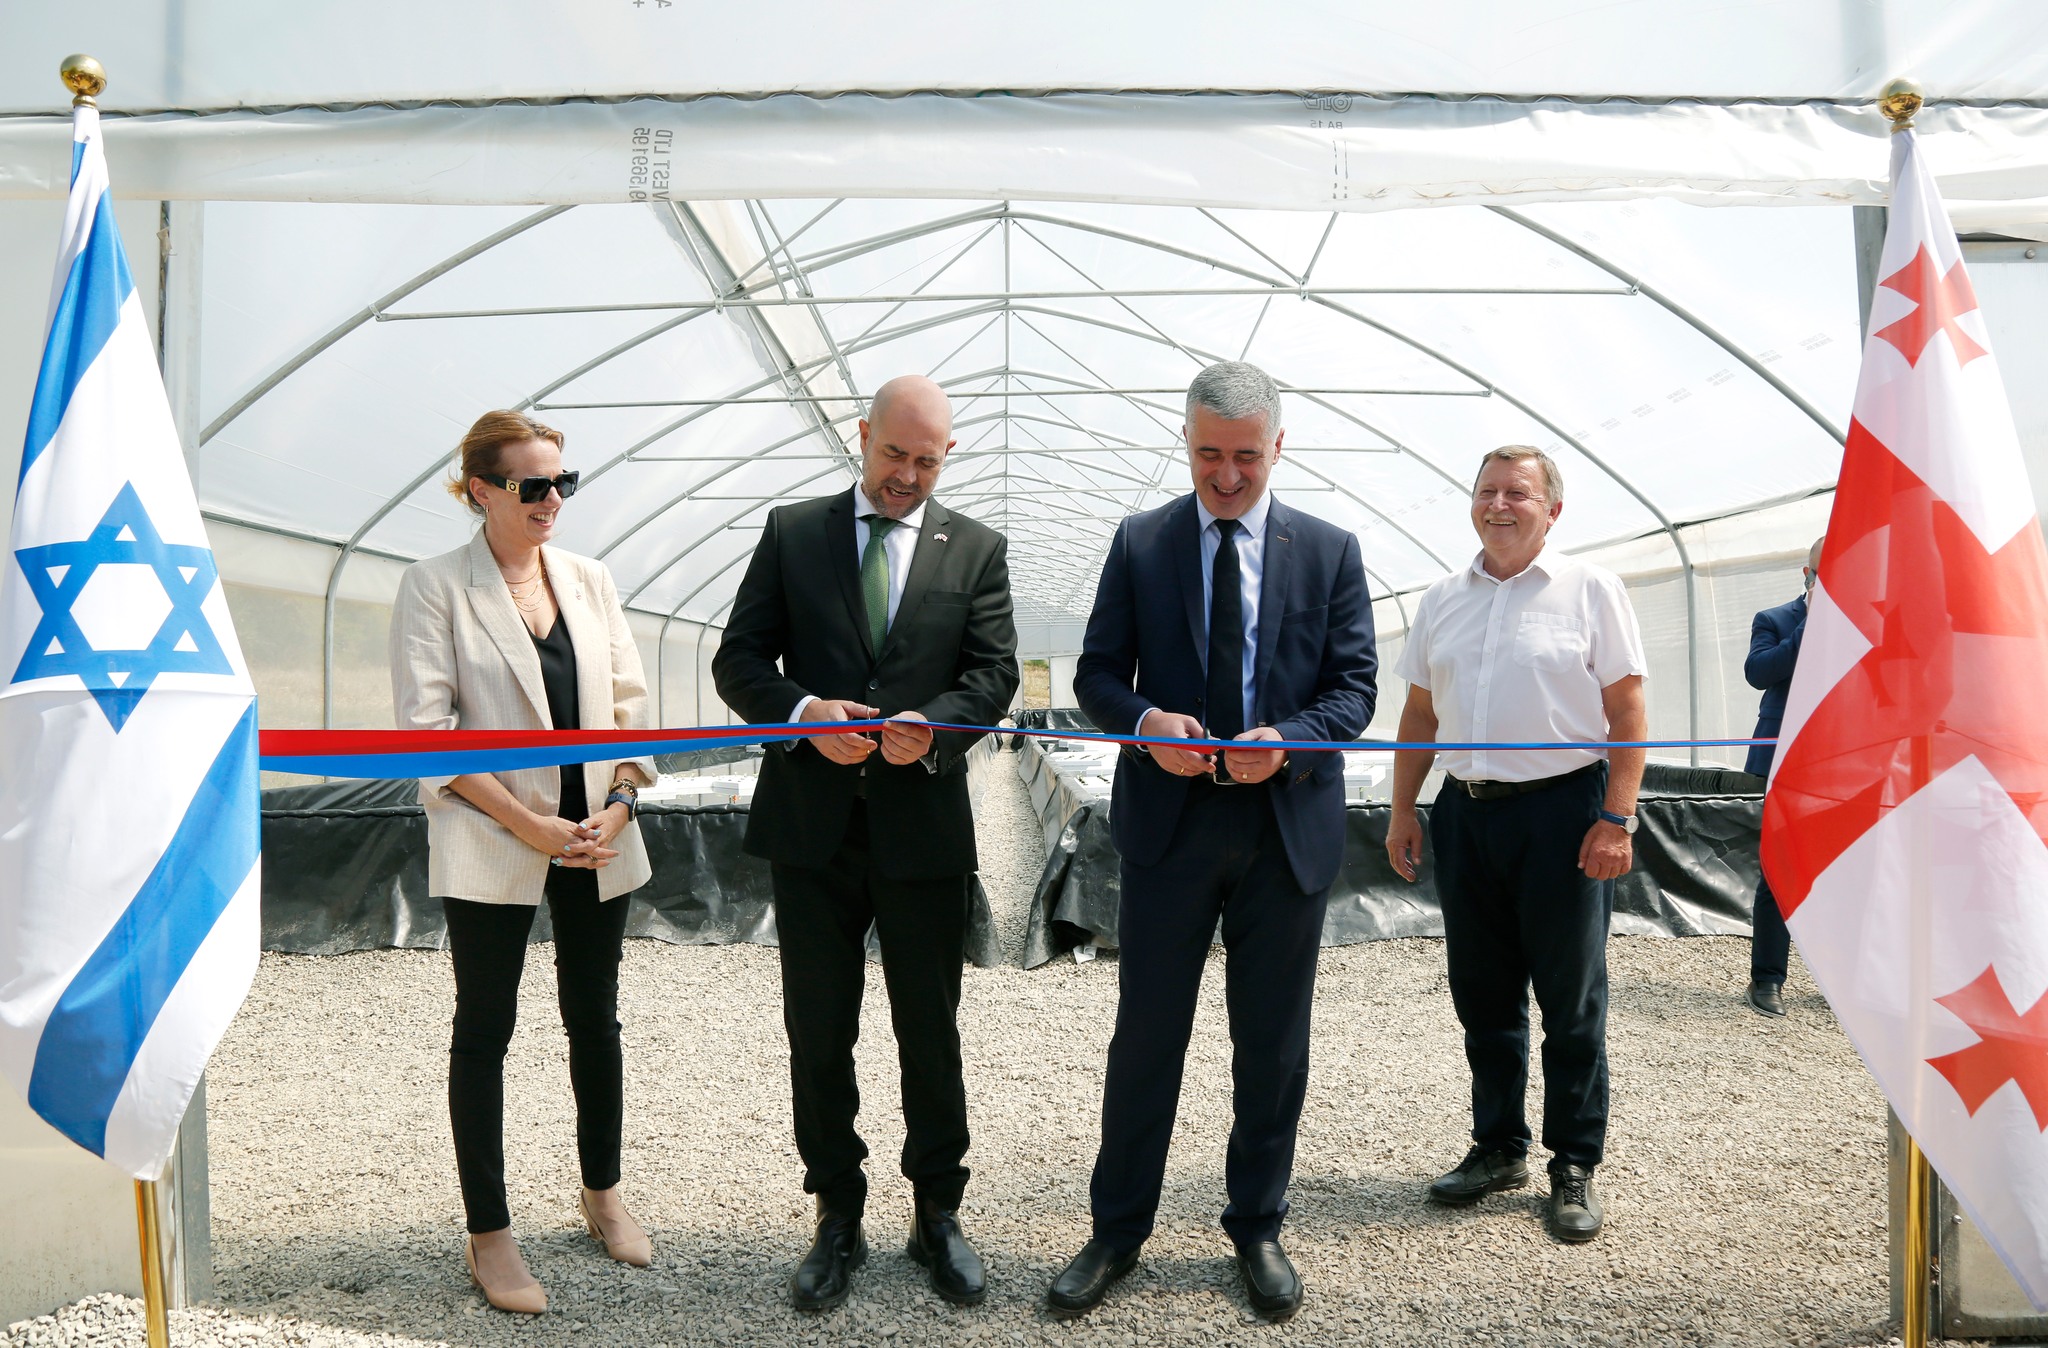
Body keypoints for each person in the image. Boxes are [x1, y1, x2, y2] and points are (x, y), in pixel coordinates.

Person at [1049, 361, 1377, 1323]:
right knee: (1148, 1035)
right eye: (1206, 455)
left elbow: (1354, 689)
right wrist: (1145, 722)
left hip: (1284, 828)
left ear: (1278, 446)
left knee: (1271, 1043)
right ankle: (1117, 1231)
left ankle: (1258, 1225)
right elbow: (1097, 674)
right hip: (1172, 825)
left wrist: (1293, 741)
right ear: (1184, 442)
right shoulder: (1142, 541)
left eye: (1244, 457)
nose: (1225, 476)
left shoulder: (1330, 550)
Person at [711, 375, 1019, 1312]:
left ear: (947, 457)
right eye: (895, 455)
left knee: (930, 1029)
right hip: (814, 831)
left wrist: (937, 726)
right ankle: (836, 1211)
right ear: (862, 435)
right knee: (819, 1030)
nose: (908, 476)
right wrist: (803, 712)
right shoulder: (793, 532)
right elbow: (738, 659)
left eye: (927, 461)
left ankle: (937, 1212)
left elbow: (993, 673)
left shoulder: (977, 548)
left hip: (921, 827)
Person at [389, 411, 658, 1314]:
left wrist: (619, 804)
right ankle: (490, 1233)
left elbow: (630, 710)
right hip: (494, 835)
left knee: (596, 1019)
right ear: (480, 490)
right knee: (484, 1030)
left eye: (562, 483)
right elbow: (428, 734)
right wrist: (529, 824)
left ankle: (603, 1194)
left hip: (598, 838)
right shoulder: (434, 587)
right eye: (533, 485)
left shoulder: (589, 579)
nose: (553, 500)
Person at [1385, 445, 1647, 1245]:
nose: (1499, 505)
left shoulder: (1590, 589)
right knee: (1484, 994)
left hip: (1563, 815)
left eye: (1518, 493)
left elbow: (1628, 710)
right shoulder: (1442, 599)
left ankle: (1574, 1162)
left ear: (1551, 510)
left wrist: (1617, 818)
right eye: (1487, 491)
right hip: (1467, 816)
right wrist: (1403, 810)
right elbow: (1420, 715)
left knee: (1571, 999)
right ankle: (1498, 1146)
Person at [1741, 536, 1823, 1018]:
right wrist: (1813, 622)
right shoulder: (1775, 619)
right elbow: (1759, 672)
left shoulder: (1868, 621)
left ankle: (1840, 982)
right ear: (1807, 574)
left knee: (1848, 869)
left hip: (1846, 761)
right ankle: (1767, 979)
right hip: (1784, 761)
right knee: (1780, 869)